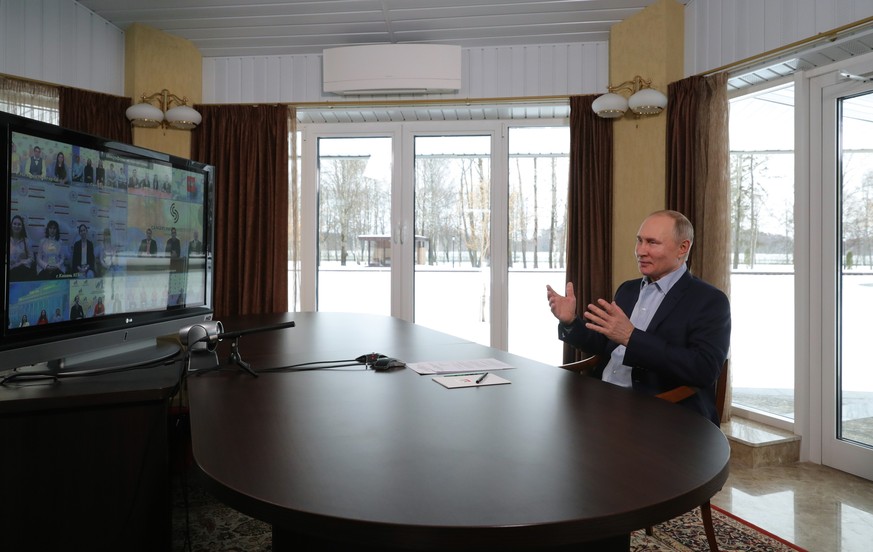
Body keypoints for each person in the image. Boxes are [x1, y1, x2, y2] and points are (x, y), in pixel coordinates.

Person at [546, 210, 731, 425]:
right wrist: (570, 321)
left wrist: (632, 338)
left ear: (683, 248)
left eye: (652, 243)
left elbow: (703, 369)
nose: (640, 251)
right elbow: (605, 346)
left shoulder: (709, 300)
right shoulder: (628, 290)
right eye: (639, 241)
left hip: (658, 415)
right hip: (601, 400)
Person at [9, 214, 35, 281]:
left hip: (22, 271)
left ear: (22, 226)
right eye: (14, 224)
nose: (17, 226)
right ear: (11, 225)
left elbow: (32, 258)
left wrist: (20, 263)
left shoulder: (27, 241)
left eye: (19, 224)